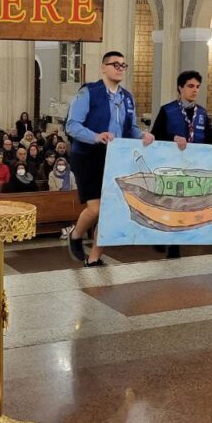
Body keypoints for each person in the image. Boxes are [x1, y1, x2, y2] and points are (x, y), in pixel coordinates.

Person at [65, 50, 154, 267]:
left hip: (114, 157)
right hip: (88, 155)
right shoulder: (89, 92)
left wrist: (144, 135)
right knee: (96, 208)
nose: (120, 68)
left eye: (123, 65)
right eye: (115, 64)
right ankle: (76, 234)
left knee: (110, 210)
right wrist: (96, 136)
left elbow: (130, 128)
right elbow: (72, 125)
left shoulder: (127, 98)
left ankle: (94, 258)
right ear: (103, 67)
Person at [150, 71, 212, 257]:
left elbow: (209, 137)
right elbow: (155, 136)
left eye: (197, 86)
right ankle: (159, 237)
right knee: (168, 203)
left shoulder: (202, 113)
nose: (195, 90)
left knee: (184, 205)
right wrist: (172, 138)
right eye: (190, 86)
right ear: (180, 88)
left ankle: (175, 246)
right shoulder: (167, 110)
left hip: (193, 167)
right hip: (170, 165)